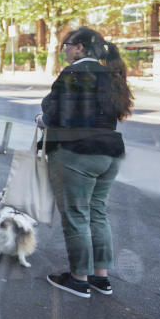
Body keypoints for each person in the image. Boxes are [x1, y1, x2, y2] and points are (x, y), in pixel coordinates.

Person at [37, 27, 133, 298]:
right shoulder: (110, 74)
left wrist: (42, 119)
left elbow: (55, 113)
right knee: (98, 214)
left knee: (76, 216)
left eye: (66, 45)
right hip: (109, 153)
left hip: (76, 153)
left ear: (79, 47)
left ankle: (78, 279)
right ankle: (100, 278)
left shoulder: (74, 72)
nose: (64, 49)